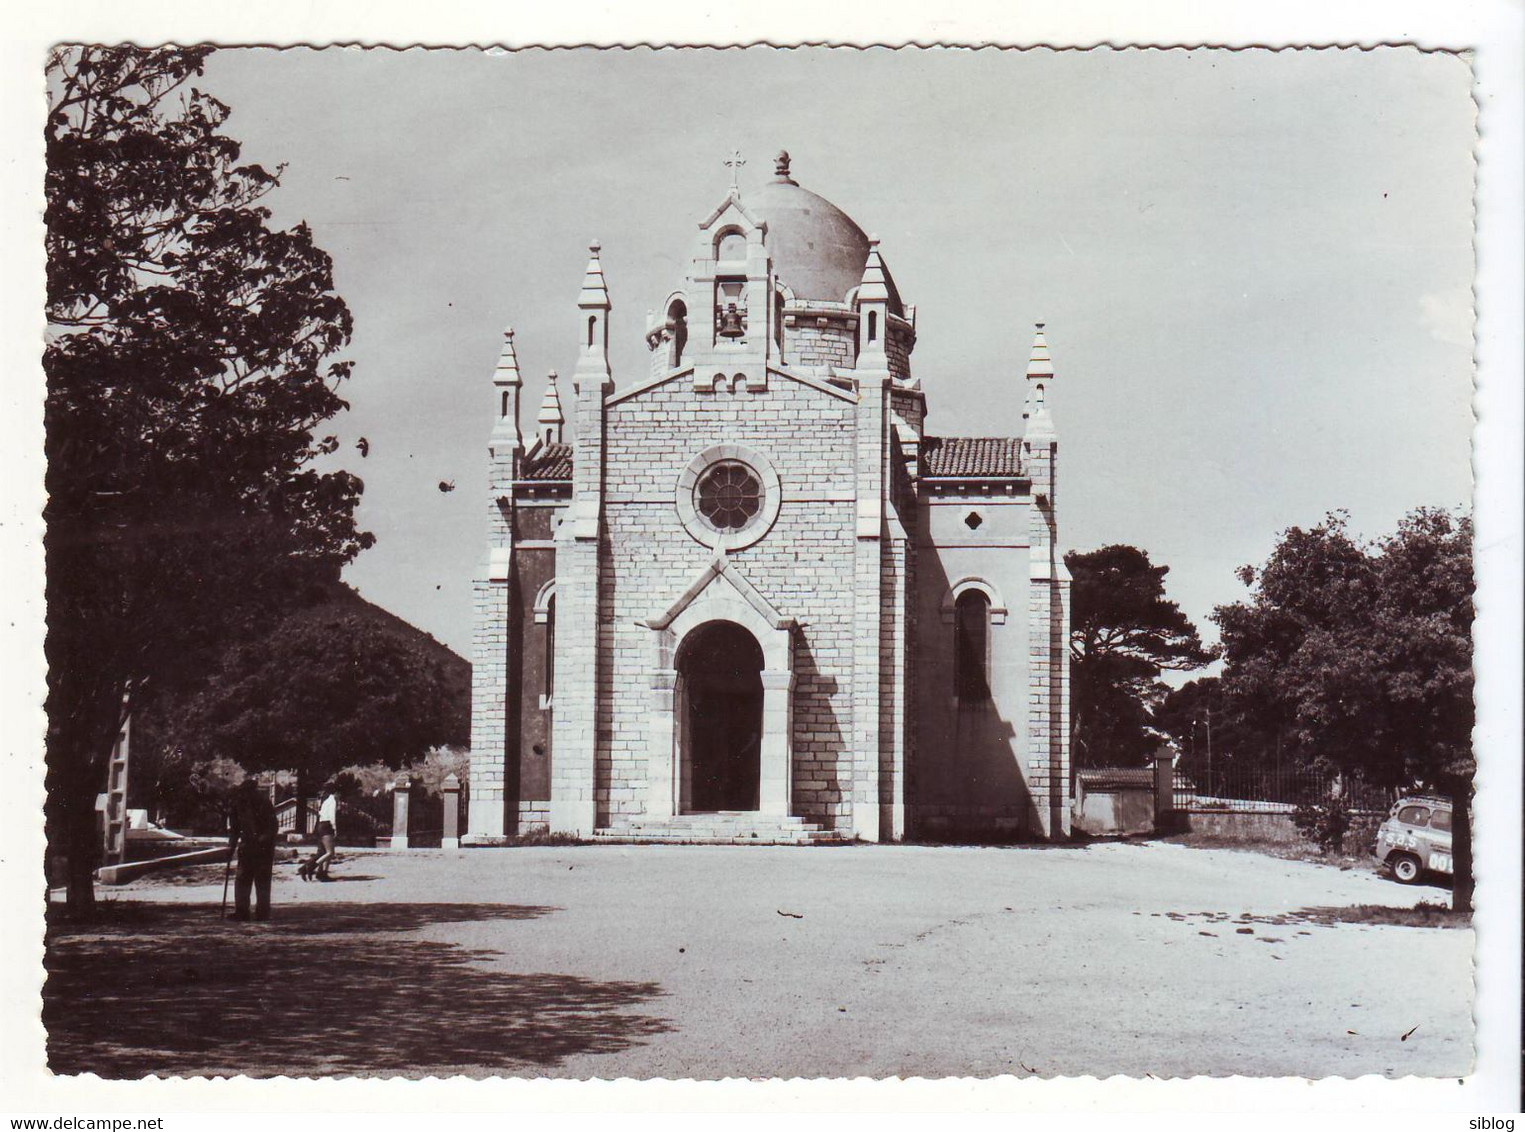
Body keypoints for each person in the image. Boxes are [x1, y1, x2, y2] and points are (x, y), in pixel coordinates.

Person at [227, 780, 278, 921]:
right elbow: (234, 829)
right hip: (247, 847)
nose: (247, 795)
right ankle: (242, 911)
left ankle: (263, 912)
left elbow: (273, 826)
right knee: (242, 879)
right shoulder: (237, 805)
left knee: (262, 880)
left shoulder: (264, 803)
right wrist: (230, 848)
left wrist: (263, 839)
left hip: (263, 848)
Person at [309, 783, 340, 881]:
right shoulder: (332, 801)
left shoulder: (325, 800)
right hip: (327, 825)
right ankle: (311, 867)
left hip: (321, 825)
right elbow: (332, 816)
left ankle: (321, 873)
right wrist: (335, 828)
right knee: (330, 852)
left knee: (323, 851)